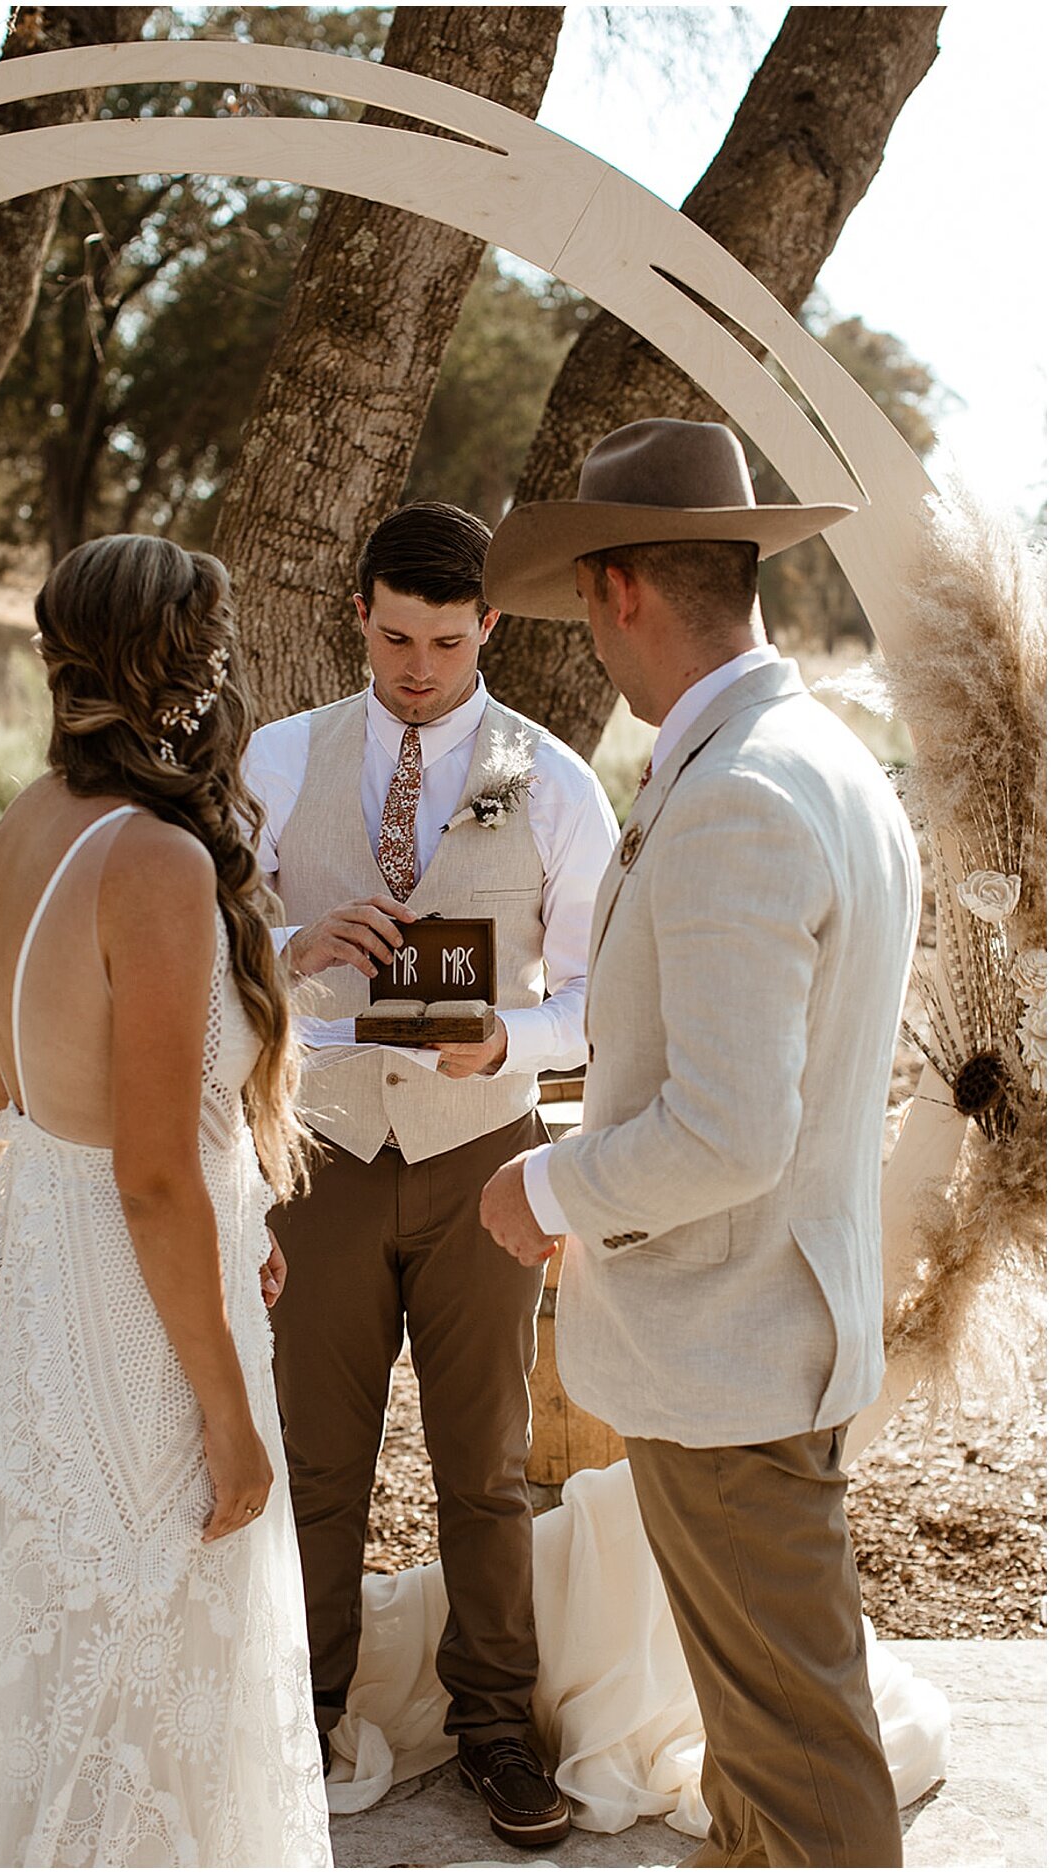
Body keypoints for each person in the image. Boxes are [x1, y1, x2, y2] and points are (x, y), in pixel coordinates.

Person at [478, 418, 918, 1868]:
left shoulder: (736, 792)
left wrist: (545, 1184)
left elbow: (730, 1130)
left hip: (736, 1356)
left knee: (801, 1770)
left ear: (617, 591)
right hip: (773, 1329)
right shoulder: (819, 761)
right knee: (762, 1743)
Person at [0, 535, 329, 1866]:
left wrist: (237, 1211)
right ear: (191, 670)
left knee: (74, 1645)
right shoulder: (150, 859)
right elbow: (153, 1177)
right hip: (144, 1327)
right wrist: (228, 1412)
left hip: (52, 1298)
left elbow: (11, 1073)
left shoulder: (26, 825)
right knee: (165, 1660)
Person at [242, 501, 616, 1847]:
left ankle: (498, 1727)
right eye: (395, 637)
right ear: (358, 611)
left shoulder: (555, 779)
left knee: (488, 1460)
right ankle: (302, 1709)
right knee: (316, 1457)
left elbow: (601, 995)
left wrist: (508, 1035)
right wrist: (287, 942)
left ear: (490, 629)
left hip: (483, 1161)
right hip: (322, 1149)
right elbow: (206, 939)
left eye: (446, 643)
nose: (417, 670)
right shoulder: (279, 760)